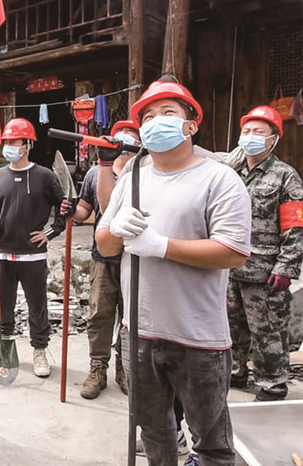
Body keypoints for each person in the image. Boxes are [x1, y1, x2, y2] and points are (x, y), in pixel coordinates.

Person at [96, 79, 251, 465]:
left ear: (191, 124)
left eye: (168, 113)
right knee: (154, 433)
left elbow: (234, 252)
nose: (155, 122)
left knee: (211, 444)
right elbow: (104, 244)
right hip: (138, 332)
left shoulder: (219, 179)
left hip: (198, 338)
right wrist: (115, 231)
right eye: (147, 116)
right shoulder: (132, 177)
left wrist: (161, 246)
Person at [0, 118, 69, 378]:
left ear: (27, 145)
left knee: (37, 307)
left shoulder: (44, 176)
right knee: (3, 307)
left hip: (33, 255)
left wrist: (50, 232)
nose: (8, 146)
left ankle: (39, 350)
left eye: (14, 141)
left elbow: (65, 207)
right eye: (6, 142)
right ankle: (6, 350)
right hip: (3, 253)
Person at [226, 105, 303, 402]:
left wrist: (286, 267)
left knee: (267, 328)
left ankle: (272, 382)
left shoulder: (285, 177)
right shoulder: (231, 172)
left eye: (259, 132)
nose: (250, 136)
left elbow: (296, 226)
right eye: (246, 131)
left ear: (273, 139)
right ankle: (235, 371)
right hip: (230, 264)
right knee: (231, 324)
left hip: (265, 269)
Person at [71, 120, 140, 399]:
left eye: (131, 135)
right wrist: (70, 209)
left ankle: (125, 367)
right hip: (103, 256)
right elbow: (85, 209)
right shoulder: (95, 172)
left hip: (135, 255)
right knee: (99, 314)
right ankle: (97, 368)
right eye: (120, 134)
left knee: (130, 316)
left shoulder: (144, 172)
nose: (125, 139)